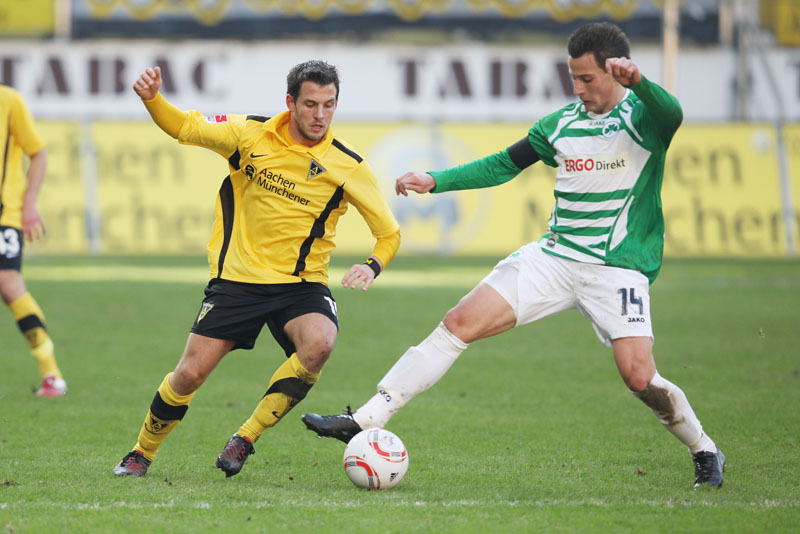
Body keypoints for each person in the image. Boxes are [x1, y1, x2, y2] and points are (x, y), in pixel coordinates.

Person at [302, 22, 725, 489]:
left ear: (615, 72)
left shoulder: (643, 119)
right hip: (554, 258)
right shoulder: (560, 124)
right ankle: (367, 418)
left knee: (639, 377)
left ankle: (704, 448)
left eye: (587, 78)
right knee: (458, 322)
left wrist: (641, 83)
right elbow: (503, 164)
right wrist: (437, 180)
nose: (578, 88)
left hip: (616, 269)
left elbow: (672, 113)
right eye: (573, 78)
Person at [113, 61, 401, 478]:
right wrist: (153, 99)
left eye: (329, 105)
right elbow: (185, 127)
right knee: (189, 375)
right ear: (290, 102)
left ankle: (246, 437)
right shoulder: (249, 134)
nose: (320, 115)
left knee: (320, 344)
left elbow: (389, 234)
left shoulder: (348, 165)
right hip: (238, 280)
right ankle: (141, 452)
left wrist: (373, 265)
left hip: (301, 283)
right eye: (311, 104)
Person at [0, 84, 67, 398]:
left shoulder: (9, 101)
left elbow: (38, 152)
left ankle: (51, 373)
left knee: (8, 282)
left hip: (5, 213)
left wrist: (29, 204)